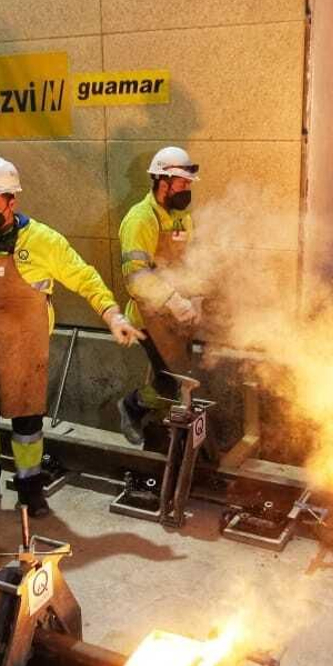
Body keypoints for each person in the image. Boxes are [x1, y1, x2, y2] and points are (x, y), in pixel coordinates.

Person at [0, 157, 145, 517]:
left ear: (12, 200)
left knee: (27, 429)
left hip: (24, 353)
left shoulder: (43, 241)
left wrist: (112, 314)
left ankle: (30, 489)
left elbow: (84, 277)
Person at [115, 146, 202, 445]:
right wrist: (174, 301)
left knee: (180, 379)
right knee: (169, 382)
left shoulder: (181, 217)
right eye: (182, 182)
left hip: (177, 314)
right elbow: (136, 278)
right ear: (162, 181)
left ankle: (162, 436)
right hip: (148, 317)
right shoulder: (140, 219)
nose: (187, 188)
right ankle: (131, 406)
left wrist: (196, 297)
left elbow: (188, 261)